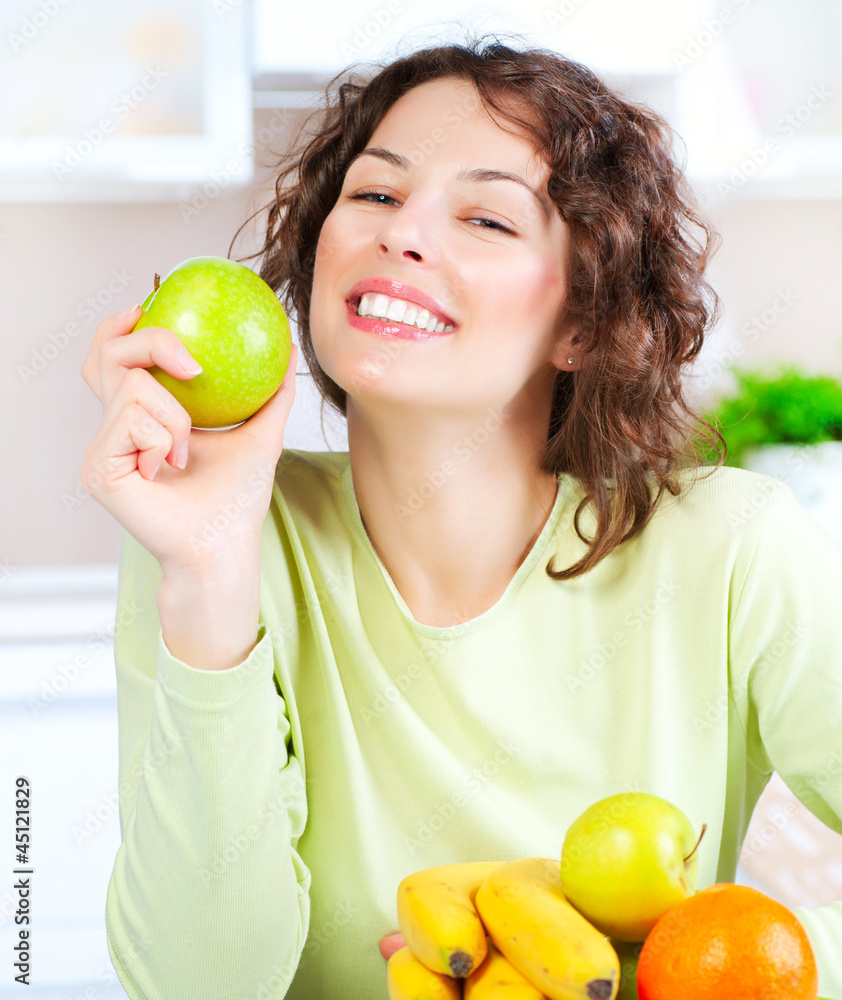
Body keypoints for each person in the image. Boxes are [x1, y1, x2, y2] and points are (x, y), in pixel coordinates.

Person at [80, 34, 842, 1000]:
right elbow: (199, 984)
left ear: (583, 322)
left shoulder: (734, 552)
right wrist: (207, 573)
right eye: (376, 194)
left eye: (486, 217)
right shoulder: (217, 540)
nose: (401, 233)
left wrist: (730, 974)